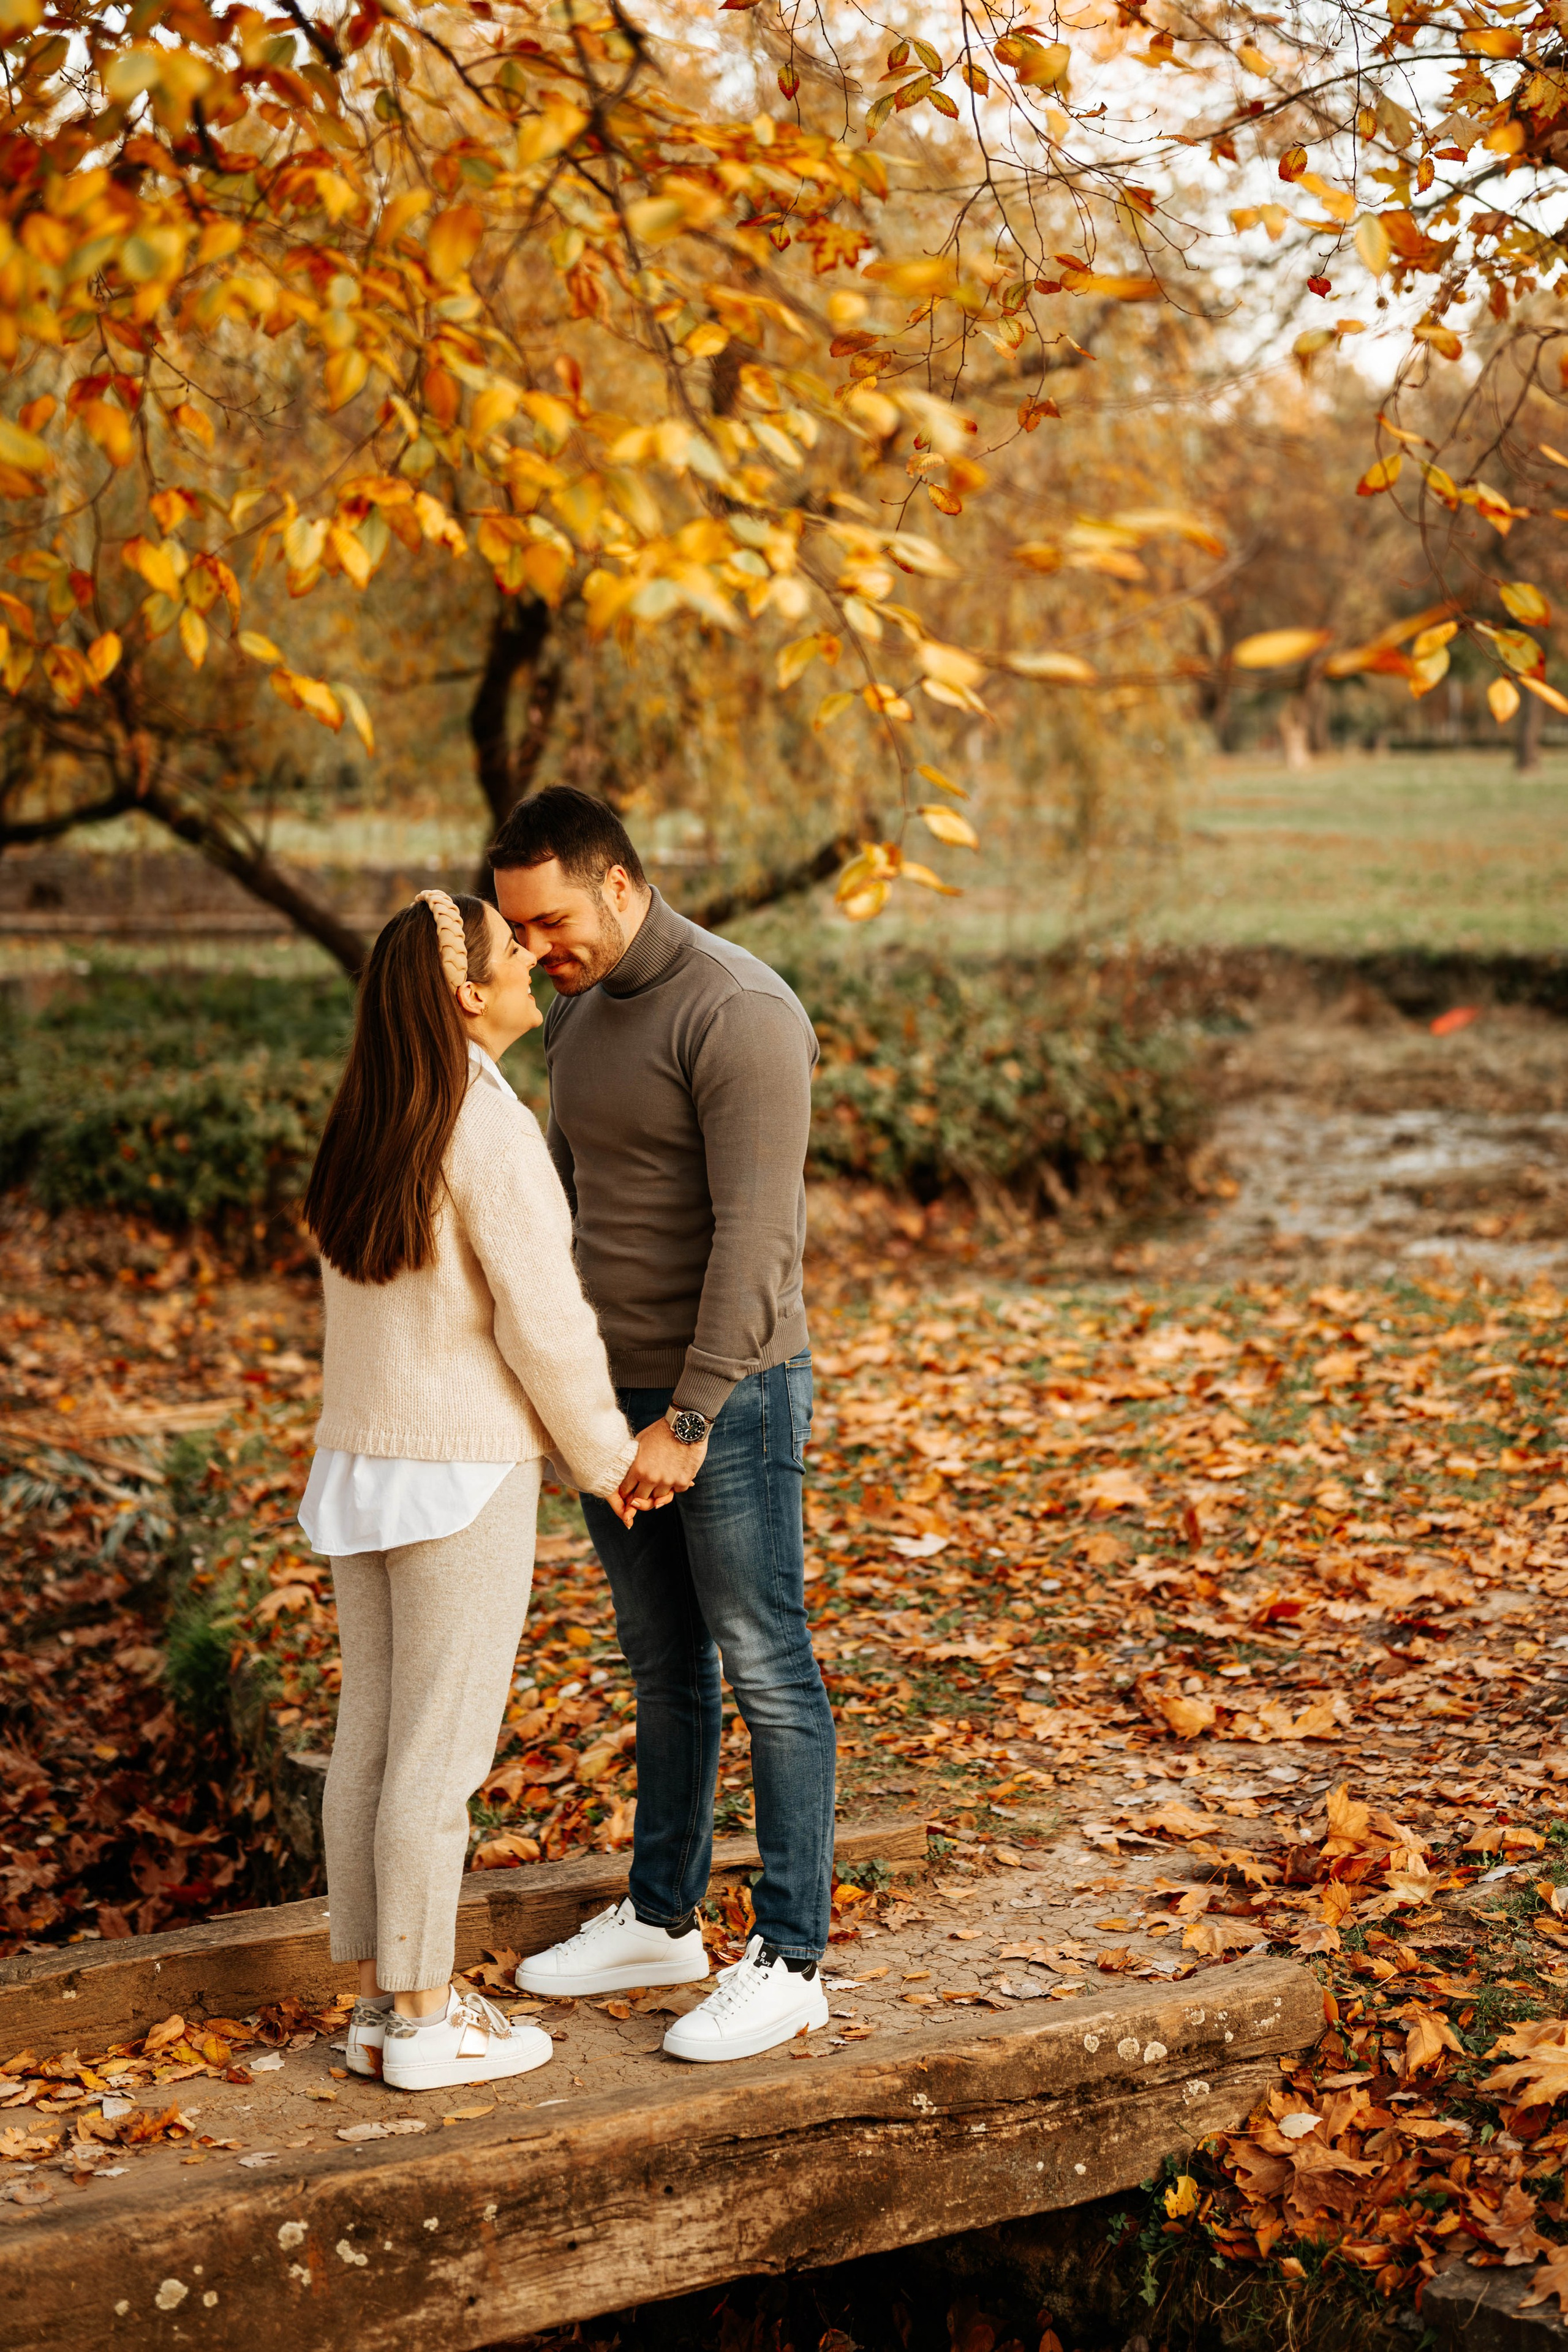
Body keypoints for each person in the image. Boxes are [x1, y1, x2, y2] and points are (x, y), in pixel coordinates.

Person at [491, 789, 836, 2064]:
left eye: (552, 921)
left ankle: (791, 1957)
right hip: (608, 1397)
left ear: (621, 886)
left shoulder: (739, 1012)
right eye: (517, 932)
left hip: (726, 1397)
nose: (535, 951)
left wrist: (687, 1417)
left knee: (765, 1665)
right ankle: (660, 1917)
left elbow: (759, 1245)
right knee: (661, 1661)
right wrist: (572, 1391)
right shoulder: (575, 1008)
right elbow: (572, 1203)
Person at [297, 887, 638, 2094]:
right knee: (437, 1762)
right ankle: (430, 2019)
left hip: (362, 1465)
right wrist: (605, 1460)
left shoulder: (369, 1120)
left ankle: (385, 2008)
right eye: (512, 951)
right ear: (463, 991)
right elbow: (544, 1327)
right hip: (459, 1472)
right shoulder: (481, 1129)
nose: (535, 963)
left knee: (376, 1744)